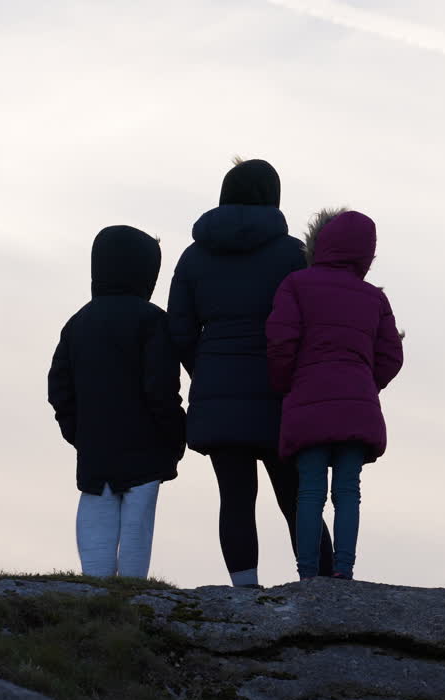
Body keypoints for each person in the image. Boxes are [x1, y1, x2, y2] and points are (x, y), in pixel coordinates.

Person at [167, 158, 332, 588]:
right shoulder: (294, 255)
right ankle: (327, 588)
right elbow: (311, 326)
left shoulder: (193, 257)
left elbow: (180, 330)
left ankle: (244, 590)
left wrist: (205, 369)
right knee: (297, 496)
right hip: (280, 396)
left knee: (235, 499)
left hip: (217, 396)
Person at [267, 209, 404, 580]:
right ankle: (344, 569)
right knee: (348, 491)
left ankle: (308, 573)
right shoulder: (374, 299)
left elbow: (280, 342)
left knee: (309, 491)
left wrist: (287, 384)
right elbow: (392, 355)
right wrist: (364, 384)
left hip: (307, 400)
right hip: (356, 406)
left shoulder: (296, 285)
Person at [47, 225, 185, 578]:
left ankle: (95, 591)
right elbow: (162, 388)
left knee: (96, 514)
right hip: (146, 446)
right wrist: (174, 434)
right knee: (138, 525)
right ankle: (133, 594)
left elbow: (59, 385)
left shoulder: (78, 323)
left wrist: (77, 431)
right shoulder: (153, 321)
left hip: (95, 445)